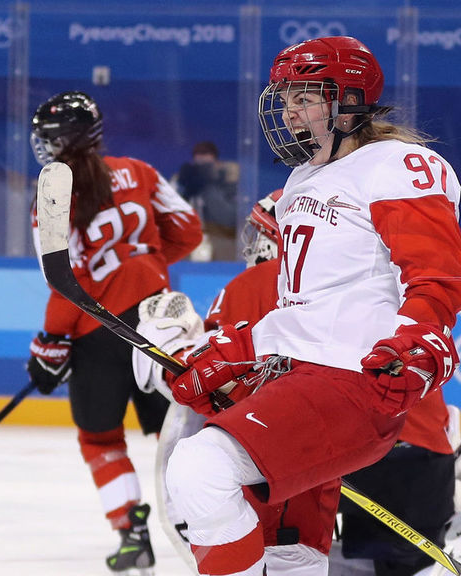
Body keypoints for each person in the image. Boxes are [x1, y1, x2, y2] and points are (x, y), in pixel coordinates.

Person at [160, 35, 461, 576]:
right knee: (291, 549)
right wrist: (242, 348)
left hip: (353, 380)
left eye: (304, 97)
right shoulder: (303, 179)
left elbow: (434, 273)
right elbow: (309, 304)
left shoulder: (397, 163)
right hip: (299, 375)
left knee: (199, 468)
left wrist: (423, 334)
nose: (288, 110)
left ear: (348, 100)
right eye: (285, 98)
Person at [138, 189, 461, 575]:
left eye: (264, 234)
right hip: (422, 461)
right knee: (402, 565)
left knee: (279, 538)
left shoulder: (266, 281)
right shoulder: (382, 283)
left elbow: (206, 373)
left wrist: (168, 349)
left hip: (329, 448)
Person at [26, 90, 203, 575]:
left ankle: (132, 535)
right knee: (188, 432)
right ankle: (206, 523)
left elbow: (62, 278)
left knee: (102, 440)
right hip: (158, 326)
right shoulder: (141, 171)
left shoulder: (52, 192)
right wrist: (141, 266)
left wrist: (50, 342)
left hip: (96, 333)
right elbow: (188, 230)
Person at [171, 141, 238, 261]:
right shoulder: (187, 181)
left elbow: (230, 219)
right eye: (199, 167)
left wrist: (209, 186)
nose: (203, 171)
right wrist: (184, 188)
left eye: (207, 167)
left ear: (217, 164)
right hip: (188, 247)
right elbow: (171, 221)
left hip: (223, 245)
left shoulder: (230, 181)